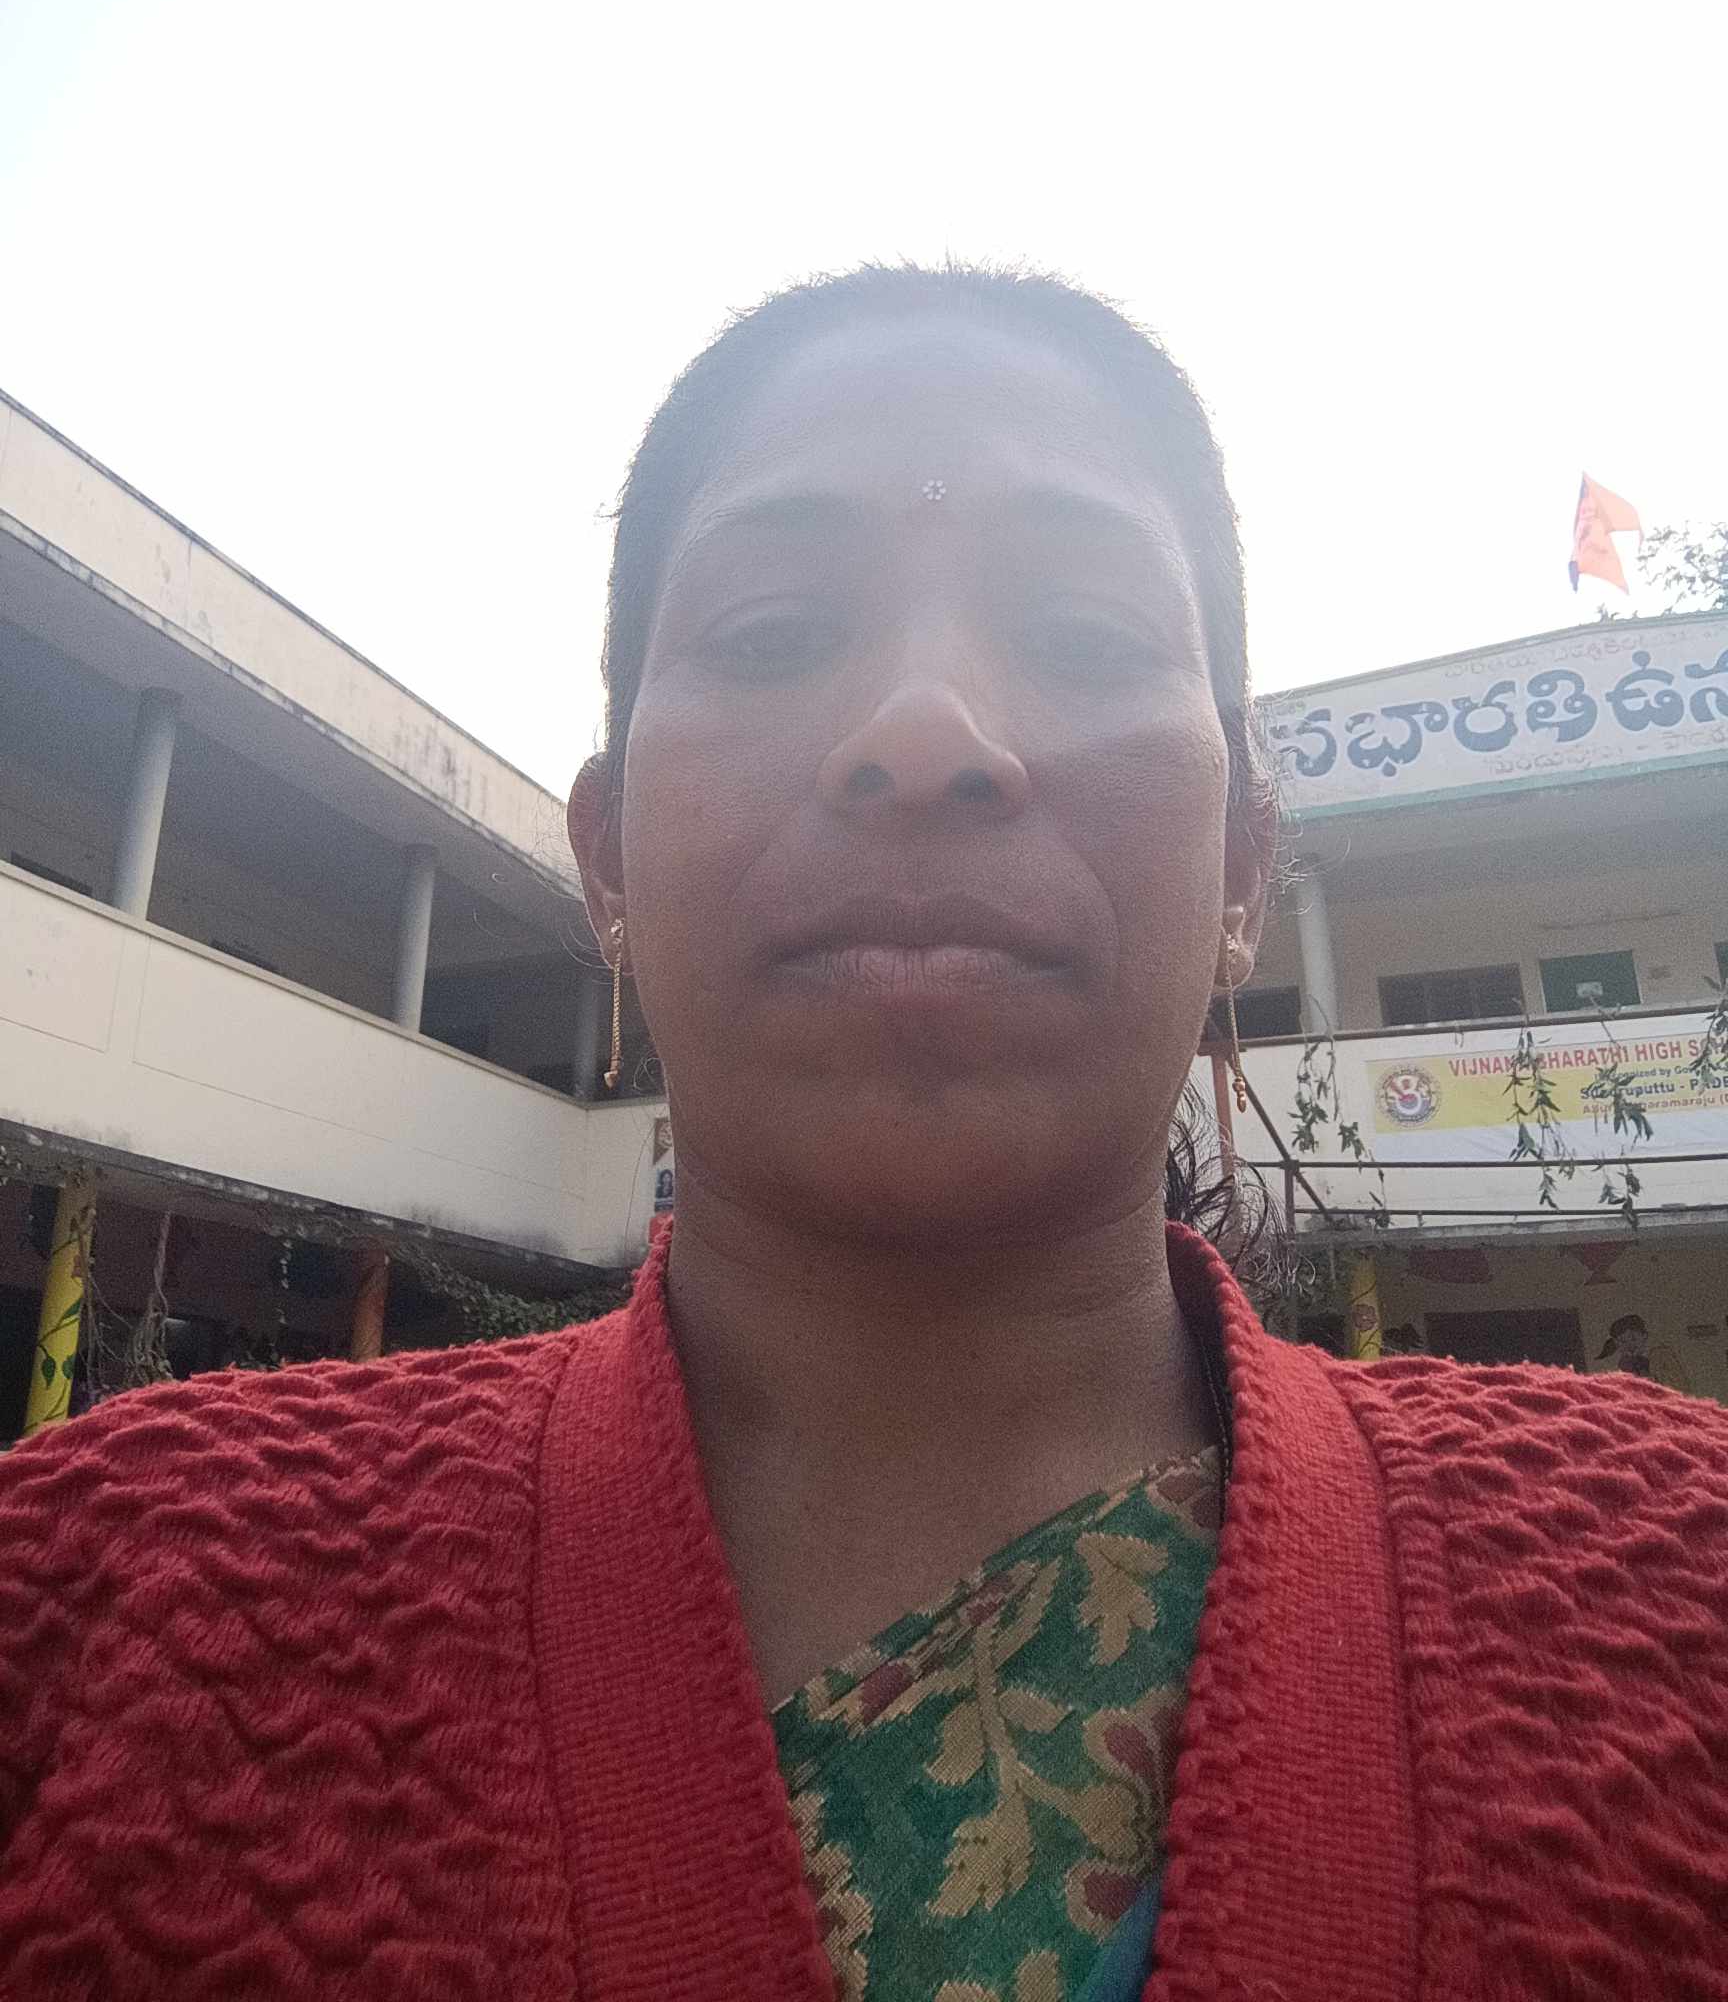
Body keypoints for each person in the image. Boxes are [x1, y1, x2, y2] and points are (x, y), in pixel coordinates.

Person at [2, 264, 1726, 2002]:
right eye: (768, 634)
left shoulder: (1677, 1577)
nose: (925, 735)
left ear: (1240, 872)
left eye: (1084, 636)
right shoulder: (99, 1588)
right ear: (608, 860)